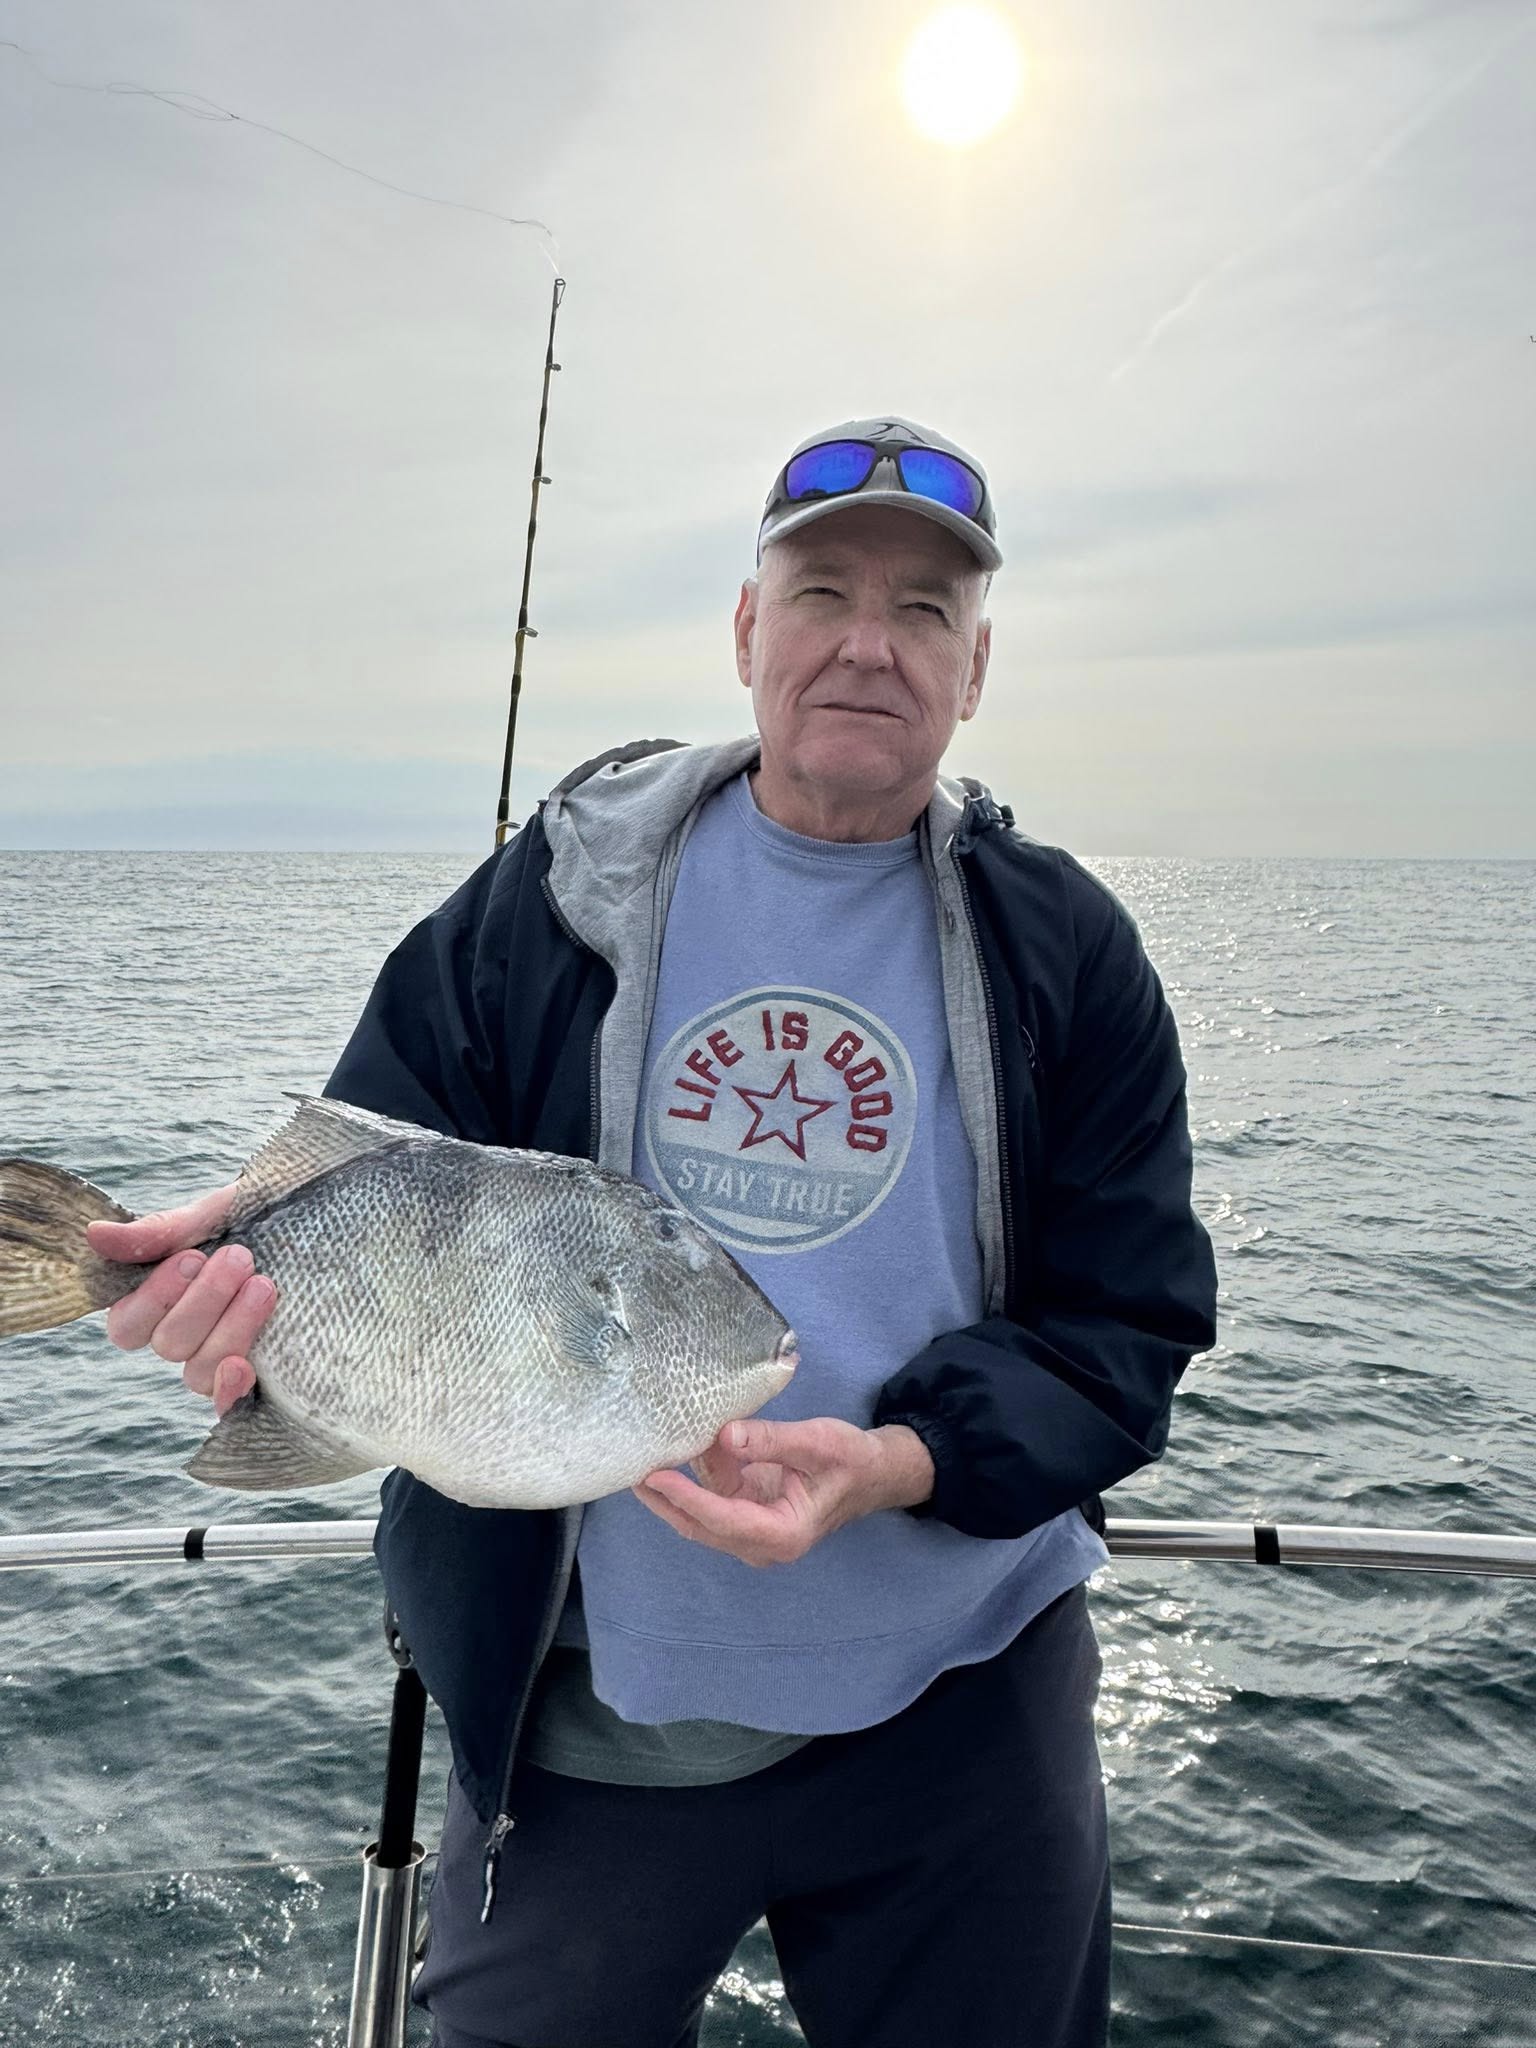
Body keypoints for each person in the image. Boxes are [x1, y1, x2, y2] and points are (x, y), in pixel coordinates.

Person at [89, 416, 1219, 2048]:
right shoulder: (551, 893)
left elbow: (1129, 1325)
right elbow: (369, 1187)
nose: (867, 643)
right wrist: (244, 1307)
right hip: (583, 1727)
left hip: (965, 1710)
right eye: (821, 592)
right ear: (748, 628)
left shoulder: (1067, 950)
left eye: (924, 610)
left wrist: (898, 1464)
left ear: (976, 668)